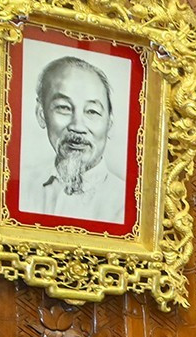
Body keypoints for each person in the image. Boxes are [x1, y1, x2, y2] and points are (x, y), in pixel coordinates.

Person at [16, 55, 128, 224]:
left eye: (91, 111)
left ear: (109, 123)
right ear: (41, 114)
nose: (77, 126)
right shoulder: (19, 188)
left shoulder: (127, 203)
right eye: (64, 108)